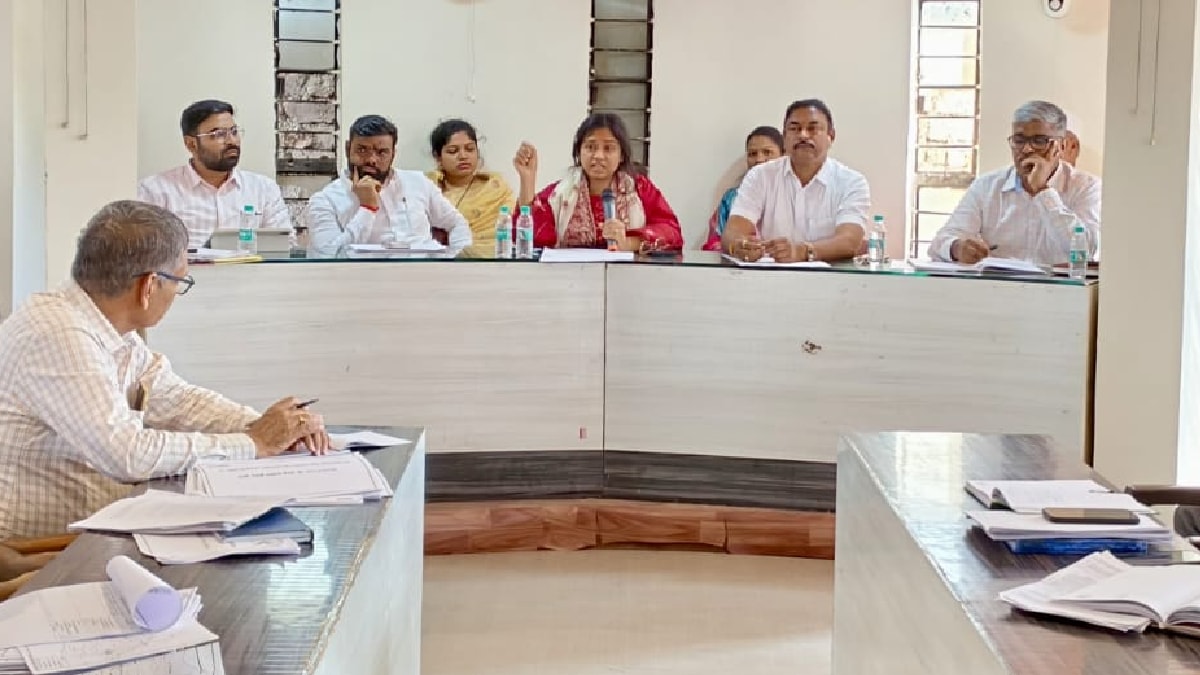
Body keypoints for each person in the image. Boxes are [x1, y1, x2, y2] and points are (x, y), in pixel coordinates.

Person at [0, 200, 330, 540]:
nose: (177, 293)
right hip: (39, 551)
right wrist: (252, 443)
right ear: (149, 286)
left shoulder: (103, 325)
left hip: (88, 533)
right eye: (180, 282)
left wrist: (268, 427)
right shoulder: (60, 333)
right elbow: (127, 454)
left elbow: (176, 399)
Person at [928, 101, 1100, 266]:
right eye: (1019, 140)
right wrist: (957, 248)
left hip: (1060, 286)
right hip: (999, 284)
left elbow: (1086, 250)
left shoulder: (1087, 187)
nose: (1027, 149)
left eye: (1039, 141)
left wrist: (1042, 191)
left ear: (1061, 146)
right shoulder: (987, 186)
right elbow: (939, 243)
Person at [722, 99, 870, 263]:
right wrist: (739, 246)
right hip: (772, 276)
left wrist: (803, 252)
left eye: (813, 128)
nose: (803, 135)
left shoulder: (851, 182)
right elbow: (733, 231)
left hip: (831, 277)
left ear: (831, 136)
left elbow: (850, 242)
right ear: (785, 137)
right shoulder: (760, 176)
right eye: (794, 129)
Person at [512, 114, 683, 252]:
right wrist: (527, 180)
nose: (598, 156)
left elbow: (672, 233)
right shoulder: (562, 192)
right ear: (579, 153)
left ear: (621, 155)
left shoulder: (639, 188)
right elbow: (530, 237)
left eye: (608, 148)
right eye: (590, 147)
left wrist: (629, 243)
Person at [137, 99, 293, 249]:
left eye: (234, 132)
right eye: (219, 134)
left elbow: (285, 245)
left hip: (250, 268)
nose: (231, 141)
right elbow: (145, 251)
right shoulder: (155, 191)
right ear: (191, 144)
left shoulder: (263, 189)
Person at [308, 115, 471, 256]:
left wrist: (453, 262)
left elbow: (457, 224)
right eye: (362, 150)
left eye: (382, 152)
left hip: (425, 276)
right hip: (365, 279)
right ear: (347, 149)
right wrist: (367, 209)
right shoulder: (325, 200)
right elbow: (329, 256)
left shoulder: (418, 182)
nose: (372, 159)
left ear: (393, 154)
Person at [426, 119, 515, 258]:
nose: (463, 156)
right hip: (437, 264)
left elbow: (517, 224)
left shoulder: (495, 187)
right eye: (453, 151)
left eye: (470, 149)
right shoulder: (427, 187)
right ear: (438, 157)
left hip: (490, 261)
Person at [702, 126, 785, 251]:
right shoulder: (731, 198)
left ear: (783, 155)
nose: (759, 159)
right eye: (752, 154)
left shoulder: (793, 193)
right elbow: (714, 242)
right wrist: (737, 248)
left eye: (767, 152)